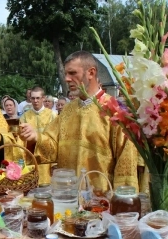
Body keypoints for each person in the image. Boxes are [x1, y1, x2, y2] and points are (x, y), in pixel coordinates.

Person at [19, 51, 138, 190]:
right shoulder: (67, 111)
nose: (67, 79)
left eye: (72, 73)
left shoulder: (114, 111)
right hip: (67, 197)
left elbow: (126, 163)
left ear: (91, 73)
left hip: (101, 200)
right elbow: (52, 146)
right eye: (66, 74)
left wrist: (120, 202)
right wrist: (36, 137)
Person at [20, 87, 57, 184]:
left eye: (38, 98)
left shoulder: (52, 115)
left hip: (48, 159)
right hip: (31, 159)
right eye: (33, 98)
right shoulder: (24, 117)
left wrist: (55, 163)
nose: (35, 101)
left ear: (43, 98)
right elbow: (22, 141)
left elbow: (56, 139)